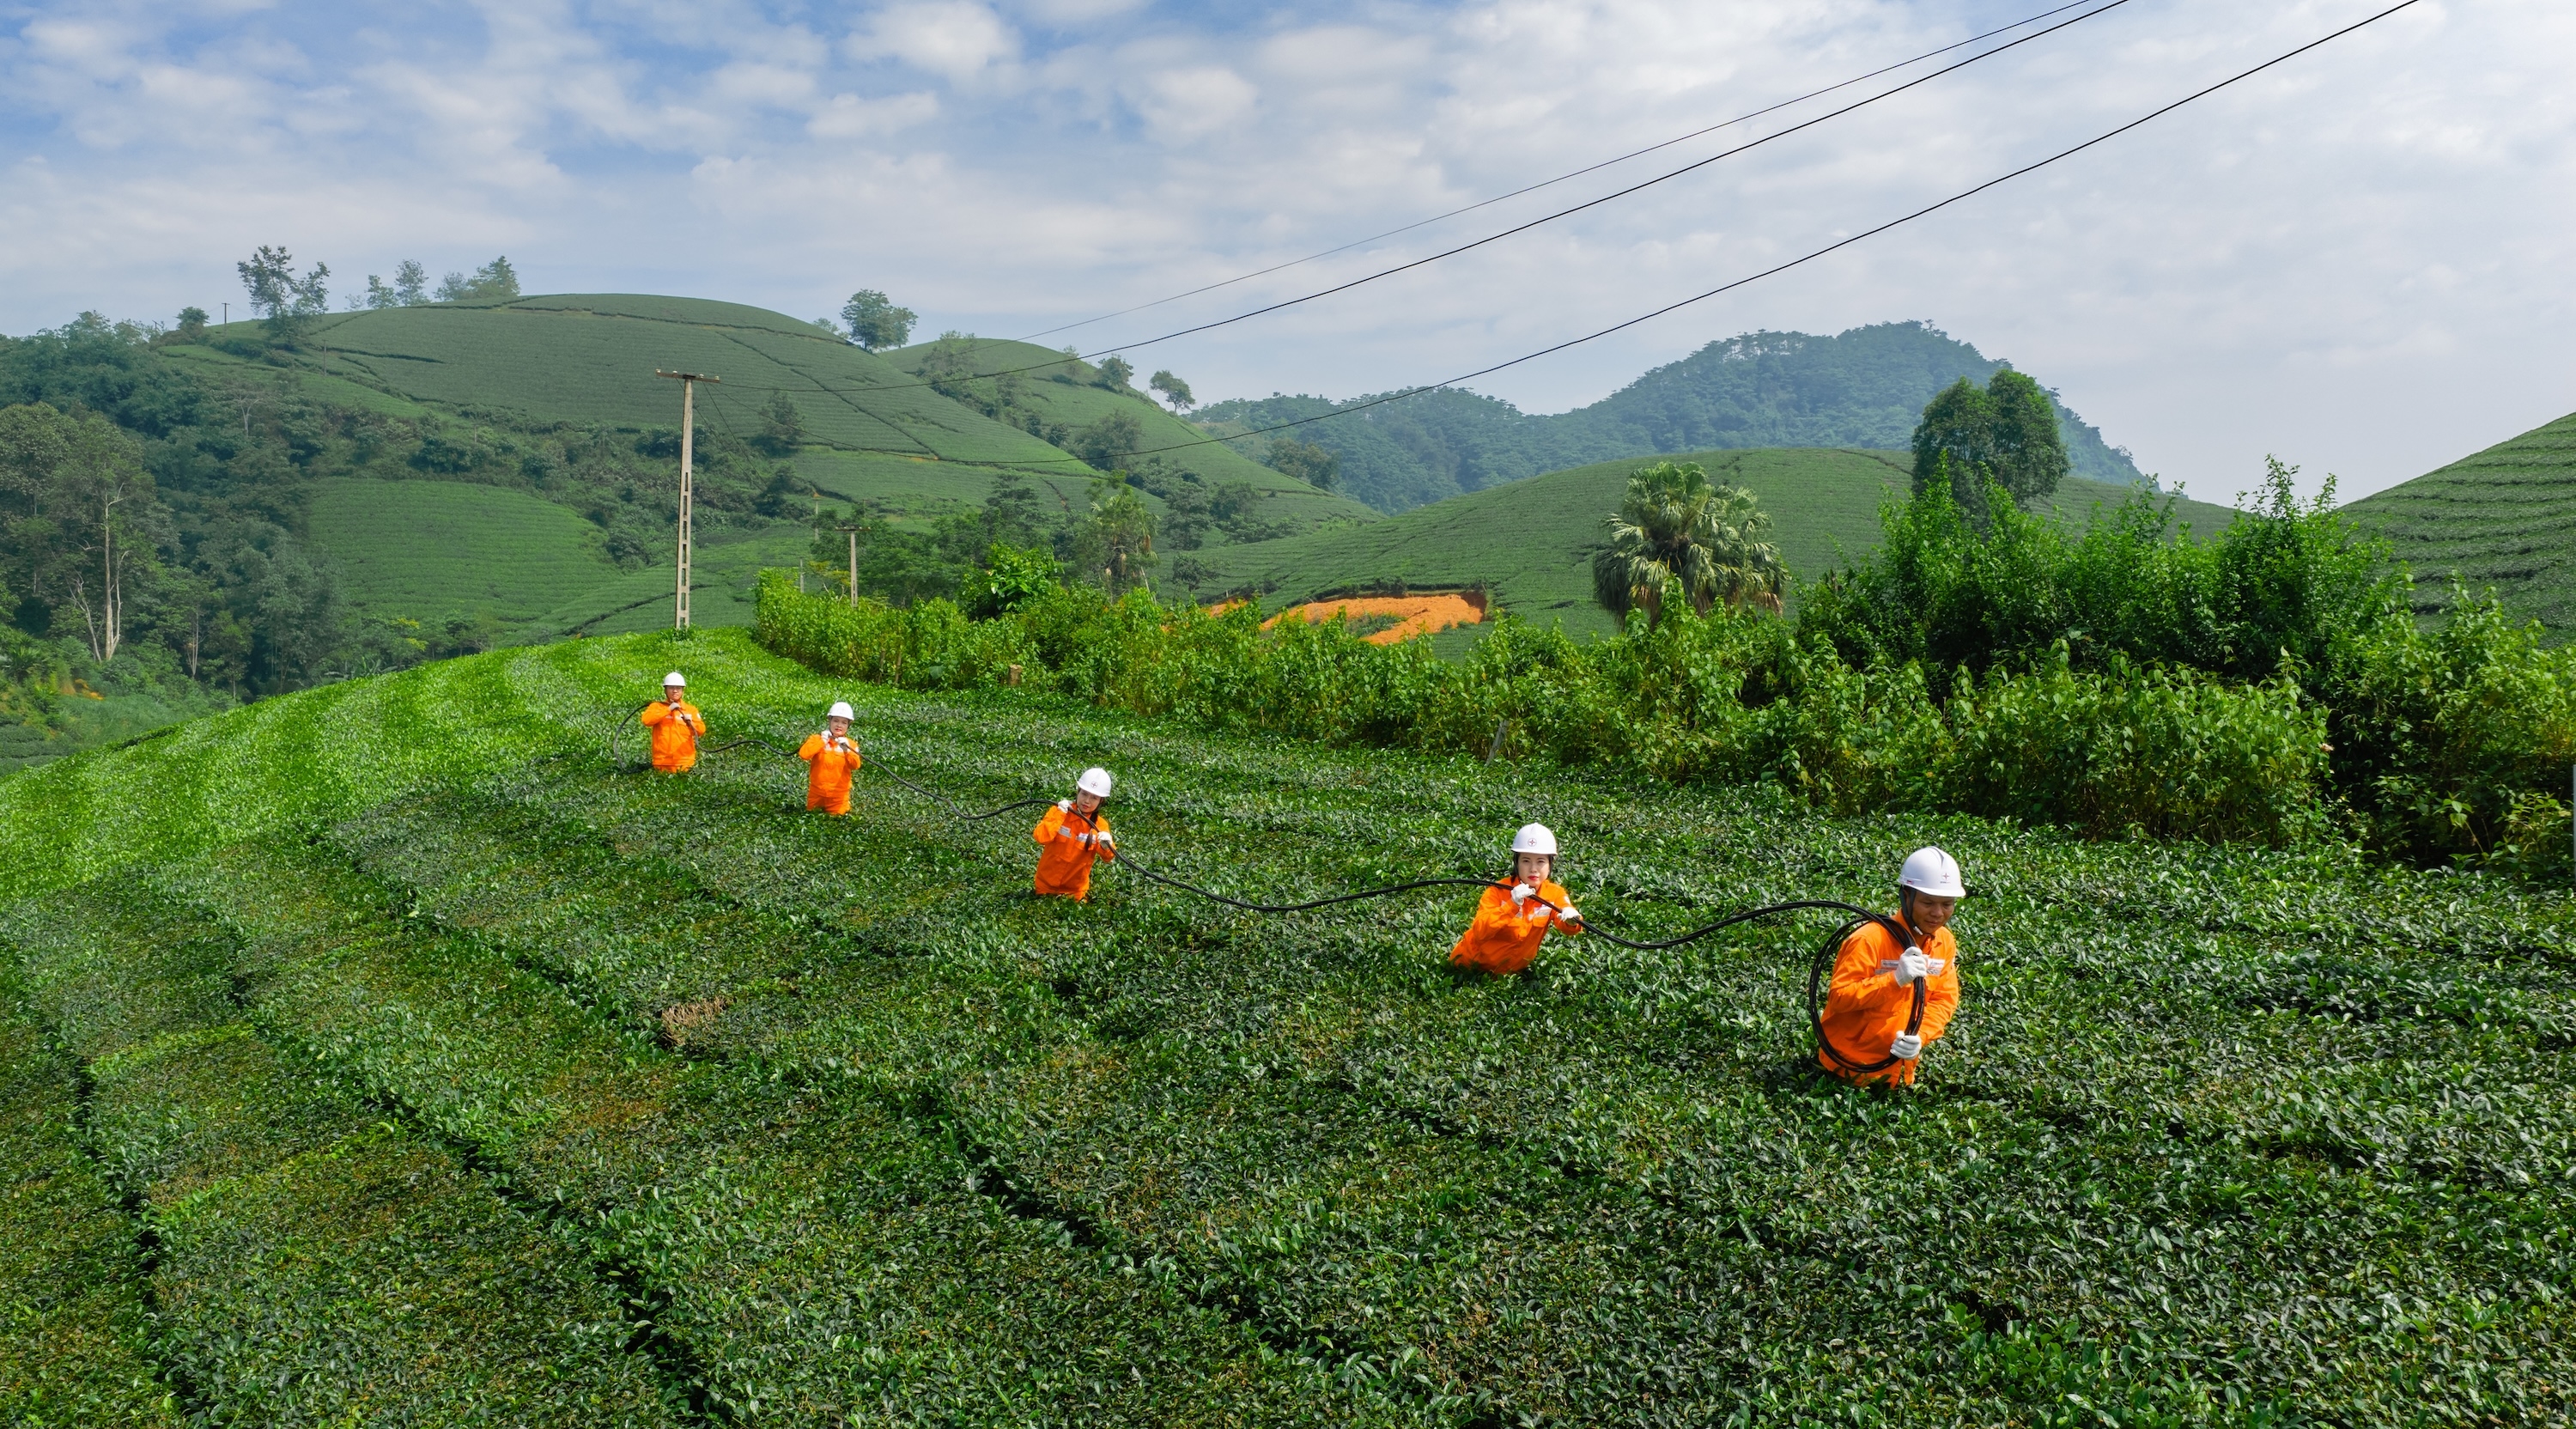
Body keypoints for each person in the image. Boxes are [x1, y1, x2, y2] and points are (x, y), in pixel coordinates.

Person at [1817, 846, 1965, 1087]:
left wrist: (1921, 1035)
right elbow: (1840, 997)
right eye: (1928, 902)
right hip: (1845, 1071)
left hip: (1899, 1073)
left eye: (1947, 904)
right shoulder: (1869, 939)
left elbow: (1943, 999)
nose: (1938, 913)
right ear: (1906, 897)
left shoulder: (1943, 941)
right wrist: (1894, 979)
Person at [1449, 823, 1584, 976]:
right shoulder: (1497, 890)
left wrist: (1572, 920)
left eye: (1540, 861)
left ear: (1550, 864)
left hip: (1512, 975)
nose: (1533, 868)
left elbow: (1567, 922)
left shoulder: (1554, 894)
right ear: (1517, 863)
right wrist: (1511, 906)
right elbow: (1480, 931)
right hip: (1469, 969)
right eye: (1526, 861)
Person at [1032, 767, 1116, 901]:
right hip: (1045, 887)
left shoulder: (1100, 826)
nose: (1087, 801)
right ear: (1078, 792)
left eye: (1094, 797)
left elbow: (1108, 858)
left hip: (1075, 893)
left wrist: (1108, 845)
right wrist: (1059, 815)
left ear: (1101, 801)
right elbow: (1041, 837)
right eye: (1084, 794)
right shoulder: (1059, 811)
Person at [799, 702, 864, 816]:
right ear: (830, 721)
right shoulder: (816, 739)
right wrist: (822, 741)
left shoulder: (851, 744)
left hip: (838, 797)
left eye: (844, 722)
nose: (839, 725)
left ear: (848, 725)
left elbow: (856, 765)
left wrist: (847, 751)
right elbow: (804, 754)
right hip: (816, 794)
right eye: (836, 721)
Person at [641, 672, 704, 773]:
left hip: (685, 762)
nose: (675, 691)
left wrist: (691, 723)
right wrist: (668, 709)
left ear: (683, 690)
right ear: (665, 690)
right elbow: (647, 720)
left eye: (678, 688)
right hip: (661, 762)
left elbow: (701, 731)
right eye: (671, 688)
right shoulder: (656, 707)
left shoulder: (691, 710)